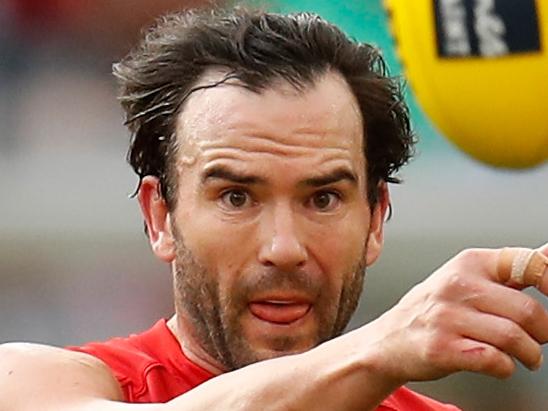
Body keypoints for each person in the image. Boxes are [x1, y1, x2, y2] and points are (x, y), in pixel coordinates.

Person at [1, 8, 547, 411]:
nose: (283, 248)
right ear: (160, 218)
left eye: (323, 198)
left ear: (376, 218)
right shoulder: (30, 383)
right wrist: (380, 347)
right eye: (236, 197)